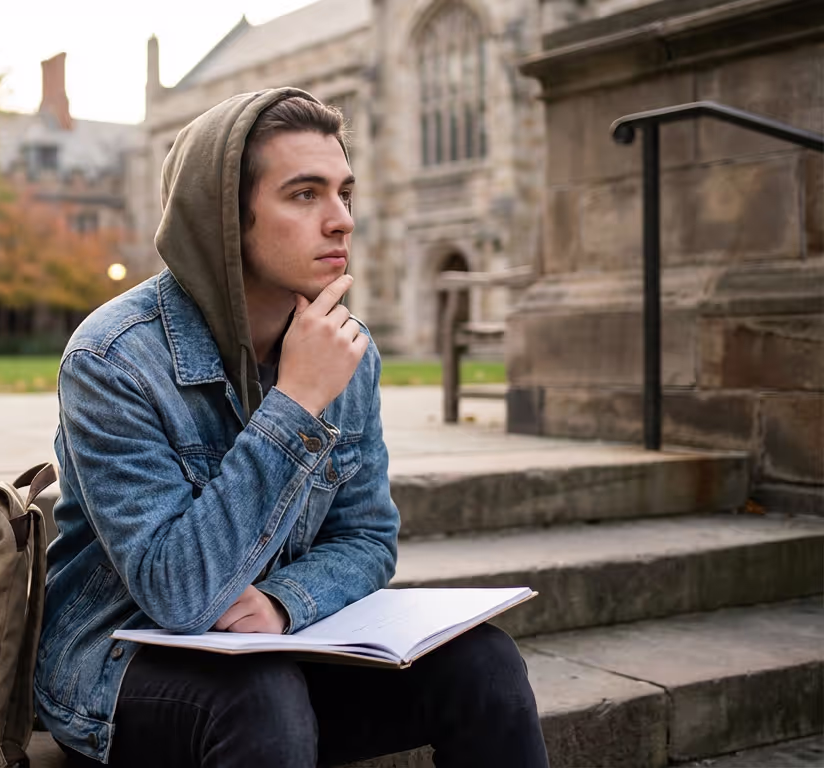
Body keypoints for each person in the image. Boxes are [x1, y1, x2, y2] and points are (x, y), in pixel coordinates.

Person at [35, 88, 548, 768]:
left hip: (281, 645)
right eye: (305, 195)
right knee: (261, 699)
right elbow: (177, 593)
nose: (342, 221)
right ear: (224, 218)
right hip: (118, 664)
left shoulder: (346, 348)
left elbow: (367, 537)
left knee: (484, 662)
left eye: (345, 193)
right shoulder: (113, 358)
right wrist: (297, 401)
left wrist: (284, 604)